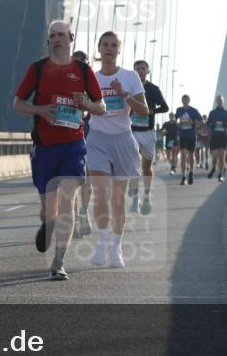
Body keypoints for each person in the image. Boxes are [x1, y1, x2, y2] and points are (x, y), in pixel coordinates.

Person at [13, 22, 105, 281]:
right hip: (44, 147)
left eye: (61, 35)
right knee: (48, 209)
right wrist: (41, 110)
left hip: (73, 146)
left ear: (71, 38)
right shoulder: (38, 69)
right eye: (52, 36)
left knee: (68, 200)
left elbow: (101, 107)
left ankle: (59, 261)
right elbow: (17, 103)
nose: (56, 40)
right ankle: (46, 223)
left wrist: (86, 103)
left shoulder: (83, 70)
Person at [86, 31, 148, 267]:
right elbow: (85, 107)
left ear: (118, 50)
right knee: (101, 193)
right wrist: (86, 104)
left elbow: (144, 110)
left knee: (118, 201)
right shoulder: (91, 77)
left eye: (114, 45)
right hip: (98, 139)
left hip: (123, 139)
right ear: (99, 49)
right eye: (105, 45)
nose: (109, 49)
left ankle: (116, 247)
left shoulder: (130, 77)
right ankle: (102, 242)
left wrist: (124, 95)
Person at [127, 59, 168, 215]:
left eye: (142, 68)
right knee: (133, 166)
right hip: (132, 131)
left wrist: (152, 111)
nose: (140, 71)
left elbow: (165, 107)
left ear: (147, 71)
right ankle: (135, 199)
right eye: (137, 68)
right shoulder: (128, 88)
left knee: (146, 167)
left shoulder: (153, 89)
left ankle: (146, 195)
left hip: (148, 132)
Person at [72, 50, 94, 238]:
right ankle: (74, 218)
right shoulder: (61, 80)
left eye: (84, 62)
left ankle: (83, 213)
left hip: (88, 136)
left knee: (85, 180)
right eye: (77, 61)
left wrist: (86, 108)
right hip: (66, 137)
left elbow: (101, 107)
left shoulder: (93, 83)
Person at [174, 95, 202, 186]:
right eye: (183, 99)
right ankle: (183, 176)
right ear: (182, 100)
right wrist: (177, 123)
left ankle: (191, 173)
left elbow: (201, 121)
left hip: (192, 135)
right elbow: (175, 120)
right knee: (183, 154)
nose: (185, 100)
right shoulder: (179, 110)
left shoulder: (193, 111)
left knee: (191, 155)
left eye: (186, 99)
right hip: (183, 136)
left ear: (189, 100)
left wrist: (193, 122)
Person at [206, 95, 227, 182]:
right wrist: (211, 125)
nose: (220, 102)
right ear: (216, 102)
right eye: (218, 100)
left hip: (223, 136)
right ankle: (213, 167)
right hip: (215, 136)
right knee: (215, 157)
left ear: (223, 102)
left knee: (222, 155)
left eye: (221, 101)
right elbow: (208, 123)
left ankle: (220, 174)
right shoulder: (212, 113)